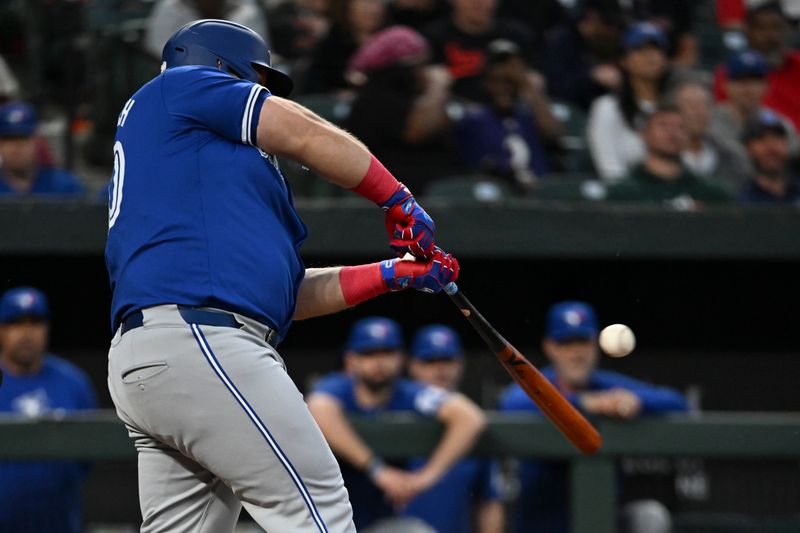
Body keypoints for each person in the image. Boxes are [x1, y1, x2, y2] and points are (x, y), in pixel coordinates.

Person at [105, 19, 459, 533]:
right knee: (317, 511)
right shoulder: (180, 86)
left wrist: (392, 274)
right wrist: (396, 197)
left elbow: (285, 297)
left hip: (165, 354)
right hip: (202, 342)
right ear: (223, 66)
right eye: (260, 82)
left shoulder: (204, 178)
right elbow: (302, 131)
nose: (265, 94)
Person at [499, 301, 688, 533]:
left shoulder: (604, 384)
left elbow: (677, 402)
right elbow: (510, 404)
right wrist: (585, 403)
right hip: (544, 522)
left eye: (583, 342)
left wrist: (636, 401)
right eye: (566, 343)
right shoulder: (539, 384)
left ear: (595, 345)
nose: (576, 352)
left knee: (648, 516)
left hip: (601, 521)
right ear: (550, 347)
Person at [307, 317, 486, 530]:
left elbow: (470, 418)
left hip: (380, 519)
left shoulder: (409, 394)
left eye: (387, 353)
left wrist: (426, 477)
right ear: (351, 359)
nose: (379, 362)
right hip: (328, 516)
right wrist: (376, 469)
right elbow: (318, 408)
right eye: (369, 354)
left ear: (401, 357)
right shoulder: (339, 387)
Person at [0, 287, 98, 533]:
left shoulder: (73, 382)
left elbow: (90, 454)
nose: (26, 333)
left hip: (59, 523)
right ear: (1, 329)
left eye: (35, 322)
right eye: (16, 323)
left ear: (47, 328)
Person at [404, 323, 504, 533]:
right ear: (413, 366)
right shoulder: (393, 411)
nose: (440, 368)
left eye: (447, 360)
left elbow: (489, 502)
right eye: (430, 361)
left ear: (460, 364)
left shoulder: (472, 426)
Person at [345, 25, 459, 194]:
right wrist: (437, 87)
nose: (425, 72)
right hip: (395, 193)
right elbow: (415, 132)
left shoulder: (412, 94)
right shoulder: (375, 97)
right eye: (420, 65)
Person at [453, 39, 562, 192]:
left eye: (509, 82)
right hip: (496, 194)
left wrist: (528, 85)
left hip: (540, 194)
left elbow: (554, 134)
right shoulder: (474, 118)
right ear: (485, 82)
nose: (503, 88)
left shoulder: (527, 115)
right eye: (495, 81)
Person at [586, 22, 672, 182]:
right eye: (641, 50)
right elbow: (609, 170)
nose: (650, 56)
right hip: (628, 199)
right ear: (624, 60)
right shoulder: (607, 107)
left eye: (656, 50)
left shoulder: (673, 108)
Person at [606, 105, 732, 208]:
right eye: (663, 125)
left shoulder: (711, 194)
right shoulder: (622, 194)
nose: (673, 133)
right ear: (644, 134)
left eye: (680, 127)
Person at [423, 0, 533, 102]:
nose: (477, 2)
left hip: (505, 104)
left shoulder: (516, 35)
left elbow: (531, 77)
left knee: (535, 81)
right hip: (453, 106)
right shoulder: (434, 36)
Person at [714, 1, 800, 130]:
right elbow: (727, 123)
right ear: (748, 32)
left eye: (777, 27)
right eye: (762, 28)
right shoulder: (730, 73)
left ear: (787, 31)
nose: (770, 36)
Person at [710, 49, 799, 164]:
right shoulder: (711, 119)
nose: (748, 88)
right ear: (725, 85)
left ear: (767, 86)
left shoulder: (776, 120)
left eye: (755, 80)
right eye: (740, 79)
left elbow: (794, 148)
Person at [540, 0, 625, 111]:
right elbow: (555, 89)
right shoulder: (561, 42)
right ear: (592, 17)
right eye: (608, 25)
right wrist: (591, 76)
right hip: (572, 111)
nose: (613, 30)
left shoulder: (614, 42)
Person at [673, 79, 750, 188]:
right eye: (691, 106)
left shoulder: (731, 157)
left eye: (705, 105)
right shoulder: (662, 156)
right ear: (674, 110)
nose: (699, 112)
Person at [0, 101, 85, 197]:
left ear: (37, 141)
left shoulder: (66, 187)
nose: (16, 147)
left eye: (23, 138)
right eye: (9, 139)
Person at [301, 0, 387, 93]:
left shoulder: (393, 41)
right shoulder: (332, 44)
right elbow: (315, 84)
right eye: (366, 3)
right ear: (348, 9)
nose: (374, 10)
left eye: (377, 3)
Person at [144, 0, 270, 59]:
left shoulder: (245, 8)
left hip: (239, 80)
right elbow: (160, 54)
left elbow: (257, 54)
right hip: (180, 81)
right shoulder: (170, 8)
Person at [740, 109, 800, 204]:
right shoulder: (744, 202)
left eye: (778, 138)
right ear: (748, 148)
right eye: (762, 139)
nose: (772, 147)